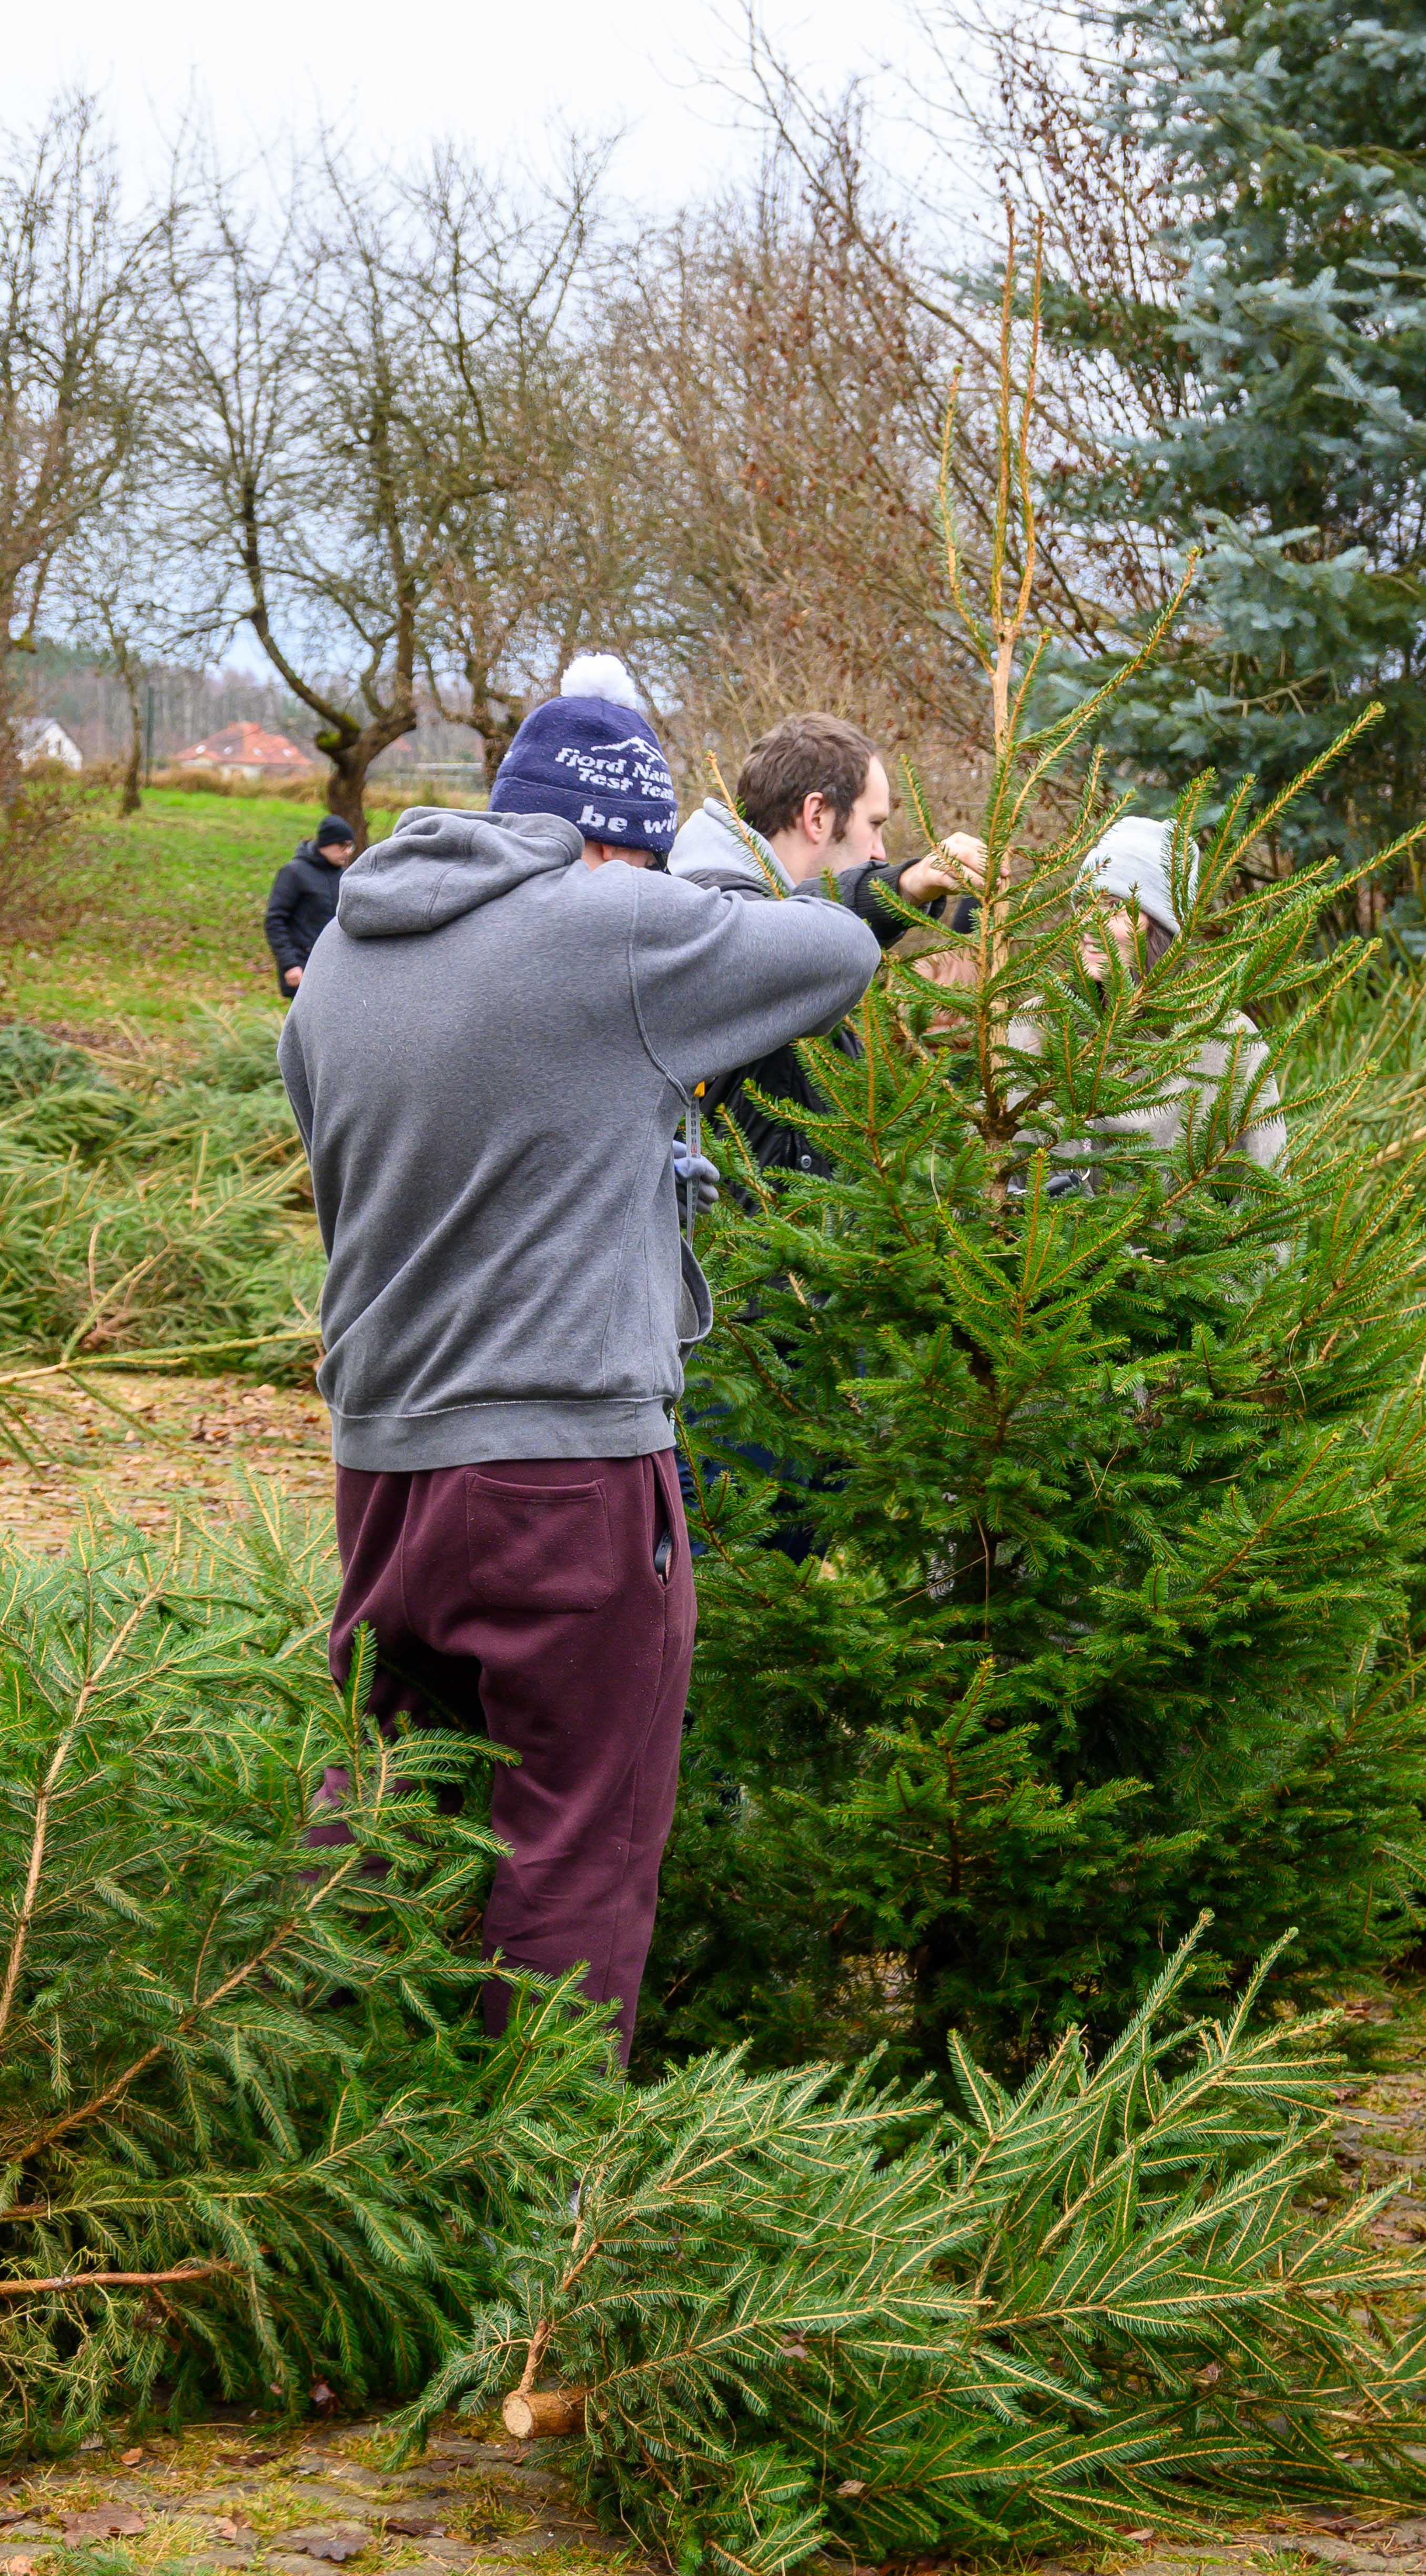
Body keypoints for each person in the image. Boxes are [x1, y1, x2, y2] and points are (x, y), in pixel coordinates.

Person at [277, 654, 881, 2060]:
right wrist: (755, 886)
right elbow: (838, 951)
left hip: (381, 1464)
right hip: (566, 1473)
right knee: (574, 1842)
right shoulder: (610, 922)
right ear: (618, 845)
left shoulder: (347, 957)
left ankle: (310, 2105)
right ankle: (536, 2159)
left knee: (384, 1803)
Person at [670, 712, 982, 1180]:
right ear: (817, 816)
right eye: (874, 824)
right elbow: (778, 939)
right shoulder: (706, 913)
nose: (880, 852)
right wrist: (902, 886)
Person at [1071, 817, 1286, 1174]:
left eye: (1112, 906)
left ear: (1159, 925)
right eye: (1083, 903)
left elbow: (1265, 1184)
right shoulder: (1042, 1022)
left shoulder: (1225, 1041)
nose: (1087, 924)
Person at [265, 814, 357, 996]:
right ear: (325, 843)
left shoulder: (344, 876)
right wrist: (290, 964)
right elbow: (275, 921)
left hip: (336, 968)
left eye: (350, 846)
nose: (348, 852)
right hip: (303, 968)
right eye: (342, 846)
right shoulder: (294, 873)